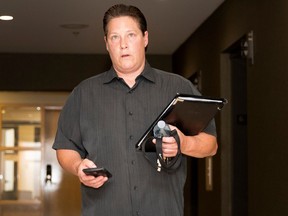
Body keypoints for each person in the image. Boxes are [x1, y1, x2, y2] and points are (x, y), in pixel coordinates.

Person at [53, 4, 218, 216]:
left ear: (145, 38)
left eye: (131, 35)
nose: (123, 45)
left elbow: (210, 145)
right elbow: (65, 147)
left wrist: (184, 143)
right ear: (106, 43)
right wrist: (77, 167)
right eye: (114, 37)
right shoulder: (83, 94)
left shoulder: (179, 88)